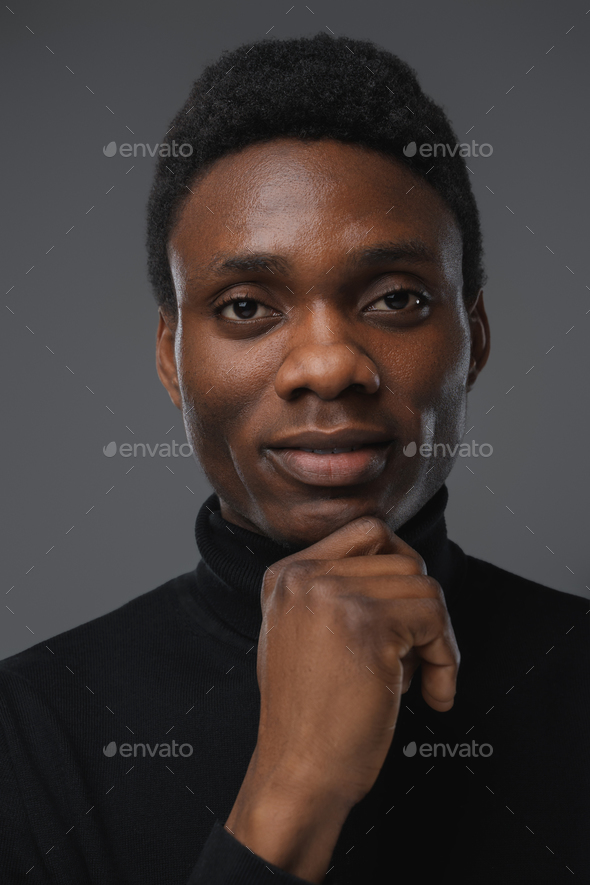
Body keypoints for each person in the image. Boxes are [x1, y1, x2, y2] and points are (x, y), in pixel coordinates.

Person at [1, 33, 588, 885]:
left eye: (396, 297)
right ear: (172, 357)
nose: (327, 363)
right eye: (246, 306)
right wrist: (292, 789)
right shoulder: (29, 733)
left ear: (477, 336)